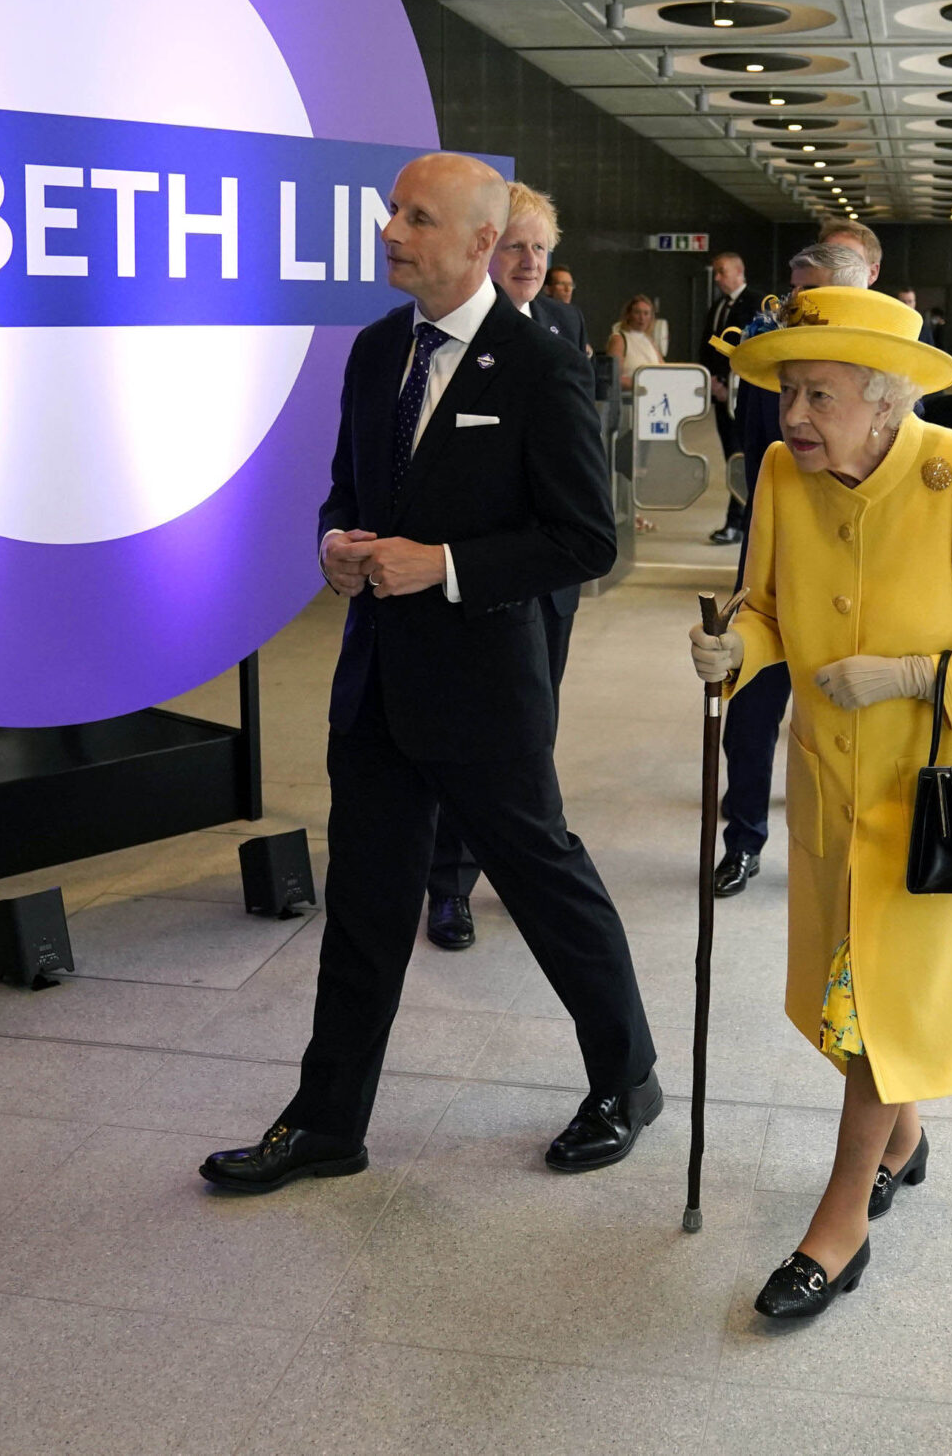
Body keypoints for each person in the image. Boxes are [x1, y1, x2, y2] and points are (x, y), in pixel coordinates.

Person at [201, 153, 661, 1194]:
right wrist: (333, 545)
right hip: (374, 685)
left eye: (417, 216)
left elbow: (584, 538)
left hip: (485, 692)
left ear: (476, 245)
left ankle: (625, 1079)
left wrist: (444, 565)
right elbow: (341, 490)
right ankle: (326, 1121)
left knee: (546, 887)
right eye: (392, 211)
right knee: (363, 904)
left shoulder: (538, 364)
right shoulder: (372, 353)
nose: (390, 230)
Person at [687, 286, 952, 1318]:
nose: (792, 416)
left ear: (886, 403)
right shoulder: (777, 471)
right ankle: (904, 1137)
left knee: (880, 1010)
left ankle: (839, 1218)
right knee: (846, 1003)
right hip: (825, 784)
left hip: (928, 802)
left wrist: (906, 674)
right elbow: (764, 606)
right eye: (785, 392)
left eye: (816, 394)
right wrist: (736, 648)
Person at [424, 181, 592, 953]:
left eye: (541, 250)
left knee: (531, 738)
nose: (529, 262)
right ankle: (448, 886)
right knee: (465, 744)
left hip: (549, 584)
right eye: (515, 247)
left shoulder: (561, 326)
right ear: (484, 250)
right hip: (472, 585)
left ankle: (520, 877)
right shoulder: (450, 342)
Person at [711, 238, 869, 900]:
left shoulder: (883, 377)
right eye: (791, 295)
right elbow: (757, 444)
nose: (792, 309)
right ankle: (743, 840)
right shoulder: (776, 362)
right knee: (749, 710)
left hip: (864, 583)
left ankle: (858, 851)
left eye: (810, 297)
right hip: (779, 558)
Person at [705, 252, 771, 546]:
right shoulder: (717, 306)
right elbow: (707, 347)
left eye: (722, 272)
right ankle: (738, 520)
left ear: (738, 272)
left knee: (742, 457)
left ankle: (739, 522)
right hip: (719, 396)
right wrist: (711, 380)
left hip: (741, 394)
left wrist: (728, 381)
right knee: (731, 456)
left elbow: (754, 348)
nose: (717, 277)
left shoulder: (757, 303)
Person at [608, 294, 664, 390]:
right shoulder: (619, 339)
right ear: (629, 315)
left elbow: (664, 369)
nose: (642, 318)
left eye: (646, 313)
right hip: (631, 397)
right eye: (637, 313)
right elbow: (614, 376)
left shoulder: (650, 341)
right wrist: (642, 385)